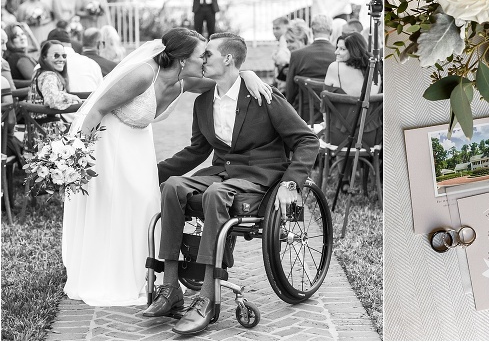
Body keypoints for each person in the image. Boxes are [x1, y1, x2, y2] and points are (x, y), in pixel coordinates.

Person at [63, 28, 273, 307]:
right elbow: (97, 110)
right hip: (106, 140)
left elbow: (228, 78)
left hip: (137, 142)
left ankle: (140, 273)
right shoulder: (143, 74)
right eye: (203, 54)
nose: (207, 59)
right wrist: (79, 153)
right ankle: (107, 272)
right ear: (183, 59)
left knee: (146, 202)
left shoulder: (184, 83)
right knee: (115, 203)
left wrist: (248, 74)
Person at [144, 32, 319, 335]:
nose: (202, 59)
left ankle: (207, 299)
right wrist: (148, 172)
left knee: (215, 193)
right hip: (223, 173)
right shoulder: (202, 103)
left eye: (207, 54)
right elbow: (197, 151)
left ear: (227, 59)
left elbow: (306, 139)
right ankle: (170, 287)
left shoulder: (264, 97)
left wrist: (291, 184)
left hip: (259, 177)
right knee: (173, 186)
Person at [285, 15, 336, 120]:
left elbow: (290, 93)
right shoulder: (338, 54)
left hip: (305, 115)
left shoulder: (297, 55)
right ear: (331, 31)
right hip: (334, 115)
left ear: (312, 31)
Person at [27, 40, 82, 136]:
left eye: (64, 56)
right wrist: (72, 98)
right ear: (44, 57)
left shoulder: (38, 72)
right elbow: (52, 100)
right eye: (56, 55)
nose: (61, 59)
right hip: (48, 135)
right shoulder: (49, 76)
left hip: (35, 132)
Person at [46, 29, 102, 94]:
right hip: (89, 103)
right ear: (70, 44)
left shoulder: (43, 66)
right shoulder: (92, 64)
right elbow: (101, 94)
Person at [324, 32, 377, 99]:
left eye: (342, 49)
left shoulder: (335, 67)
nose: (336, 52)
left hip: (342, 109)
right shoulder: (374, 69)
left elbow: (324, 103)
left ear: (354, 51)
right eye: (337, 48)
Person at [271, 16, 290, 88]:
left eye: (278, 28)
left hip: (283, 78)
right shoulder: (280, 40)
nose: (274, 31)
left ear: (286, 28)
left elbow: (282, 59)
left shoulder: (283, 39)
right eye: (273, 28)